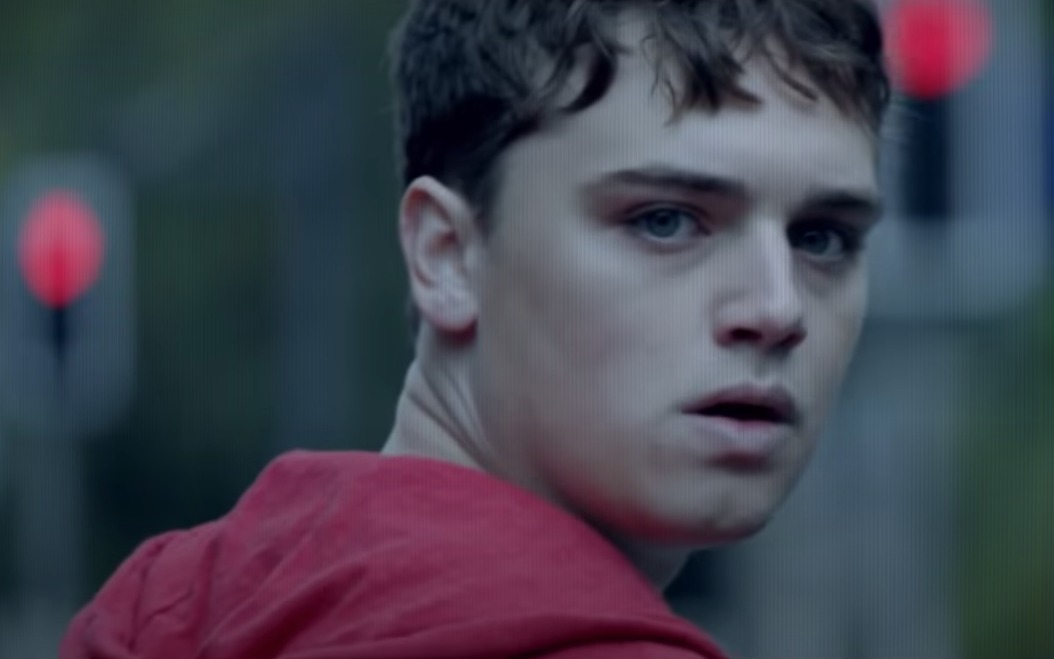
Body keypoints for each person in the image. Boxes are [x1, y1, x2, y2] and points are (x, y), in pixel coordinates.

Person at [60, 1, 891, 657]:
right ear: (445, 255)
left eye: (822, 237)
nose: (778, 308)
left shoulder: (163, 613)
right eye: (666, 220)